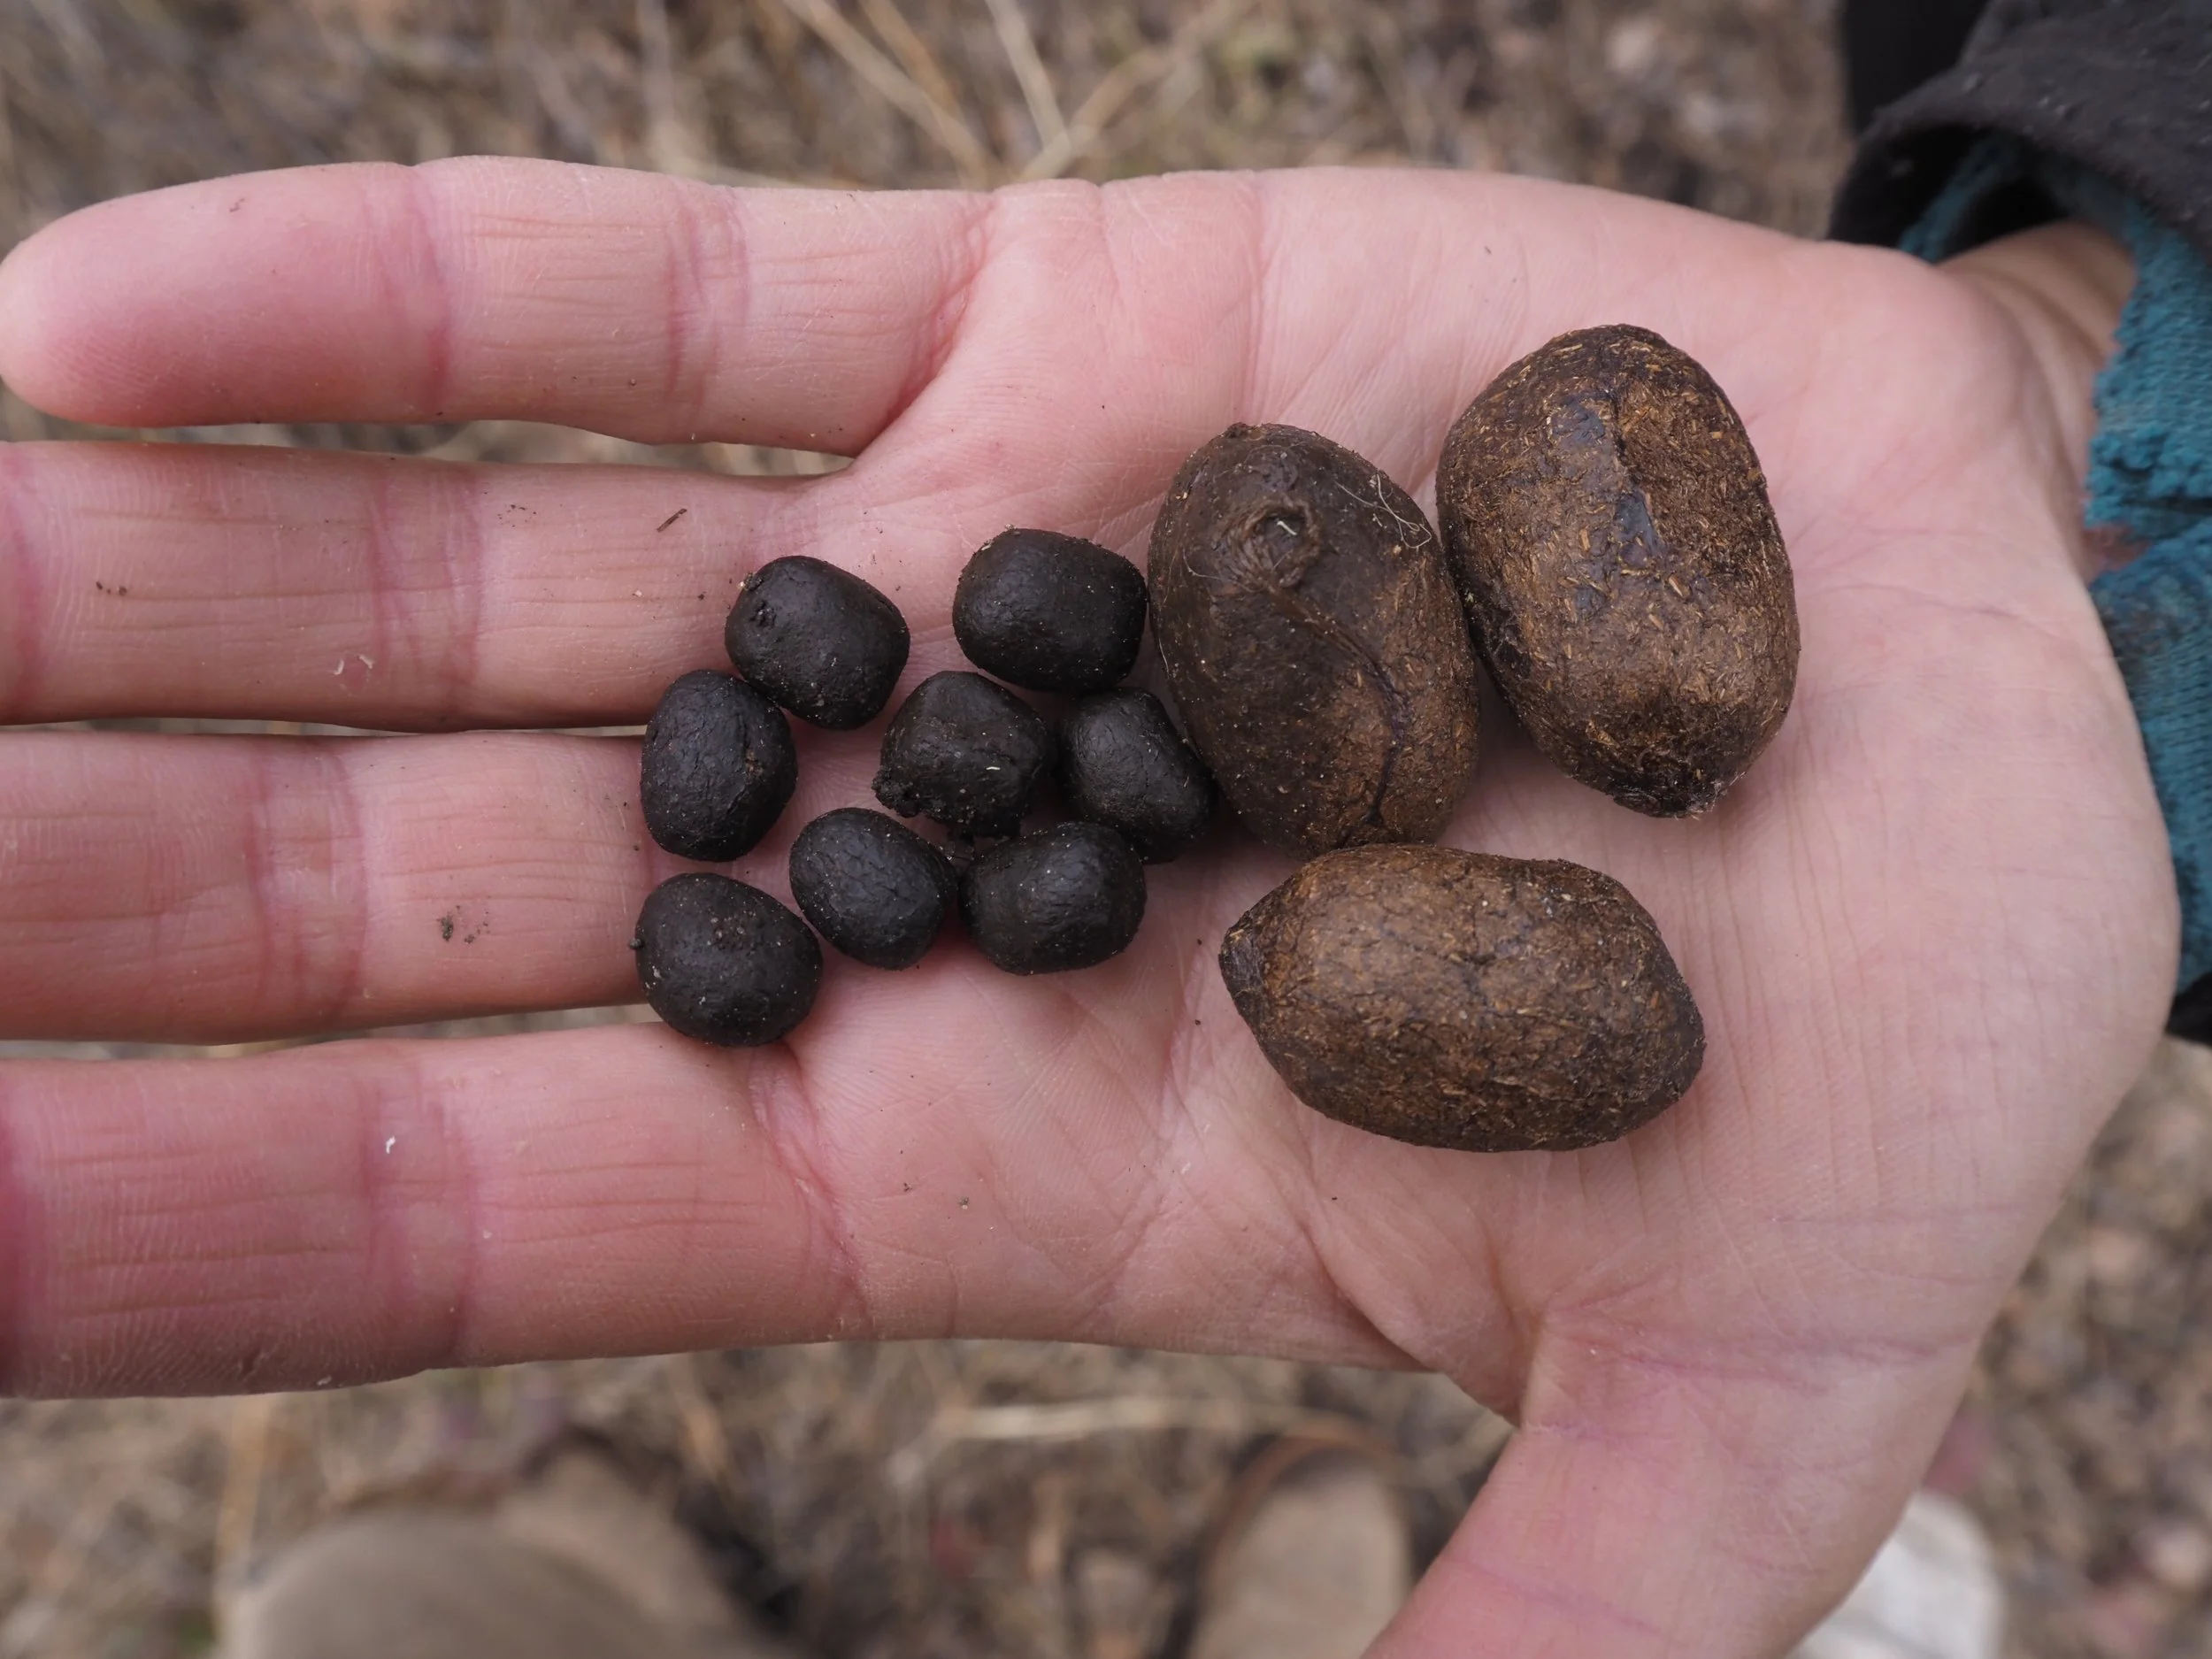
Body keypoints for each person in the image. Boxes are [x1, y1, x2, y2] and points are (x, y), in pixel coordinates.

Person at [0, 0, 2204, 1654]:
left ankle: (590, 1562)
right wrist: (2067, 342)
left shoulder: (1363, 762)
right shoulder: (1142, 769)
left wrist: (2046, 403)